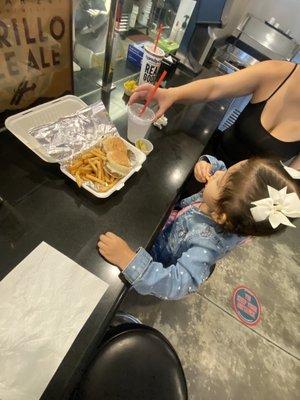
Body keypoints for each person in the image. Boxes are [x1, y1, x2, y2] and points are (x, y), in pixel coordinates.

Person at [97, 155, 300, 300]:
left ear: (221, 215)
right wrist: (206, 164)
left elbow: (178, 284)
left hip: (159, 259)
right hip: (170, 224)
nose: (218, 172)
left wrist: (128, 259)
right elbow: (221, 169)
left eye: (220, 179)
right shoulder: (232, 206)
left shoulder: (208, 244)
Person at [129, 60, 300, 168]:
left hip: (240, 202)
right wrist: (171, 94)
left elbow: (291, 188)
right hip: (207, 163)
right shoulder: (276, 72)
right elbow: (214, 88)